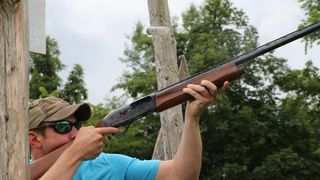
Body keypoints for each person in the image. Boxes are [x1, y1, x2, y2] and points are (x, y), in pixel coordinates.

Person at [28, 80, 229, 180]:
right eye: (63, 127)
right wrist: (75, 152)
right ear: (34, 139)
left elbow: (181, 174)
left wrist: (192, 117)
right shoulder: (12, 171)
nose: (75, 133)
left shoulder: (109, 164)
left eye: (77, 125)